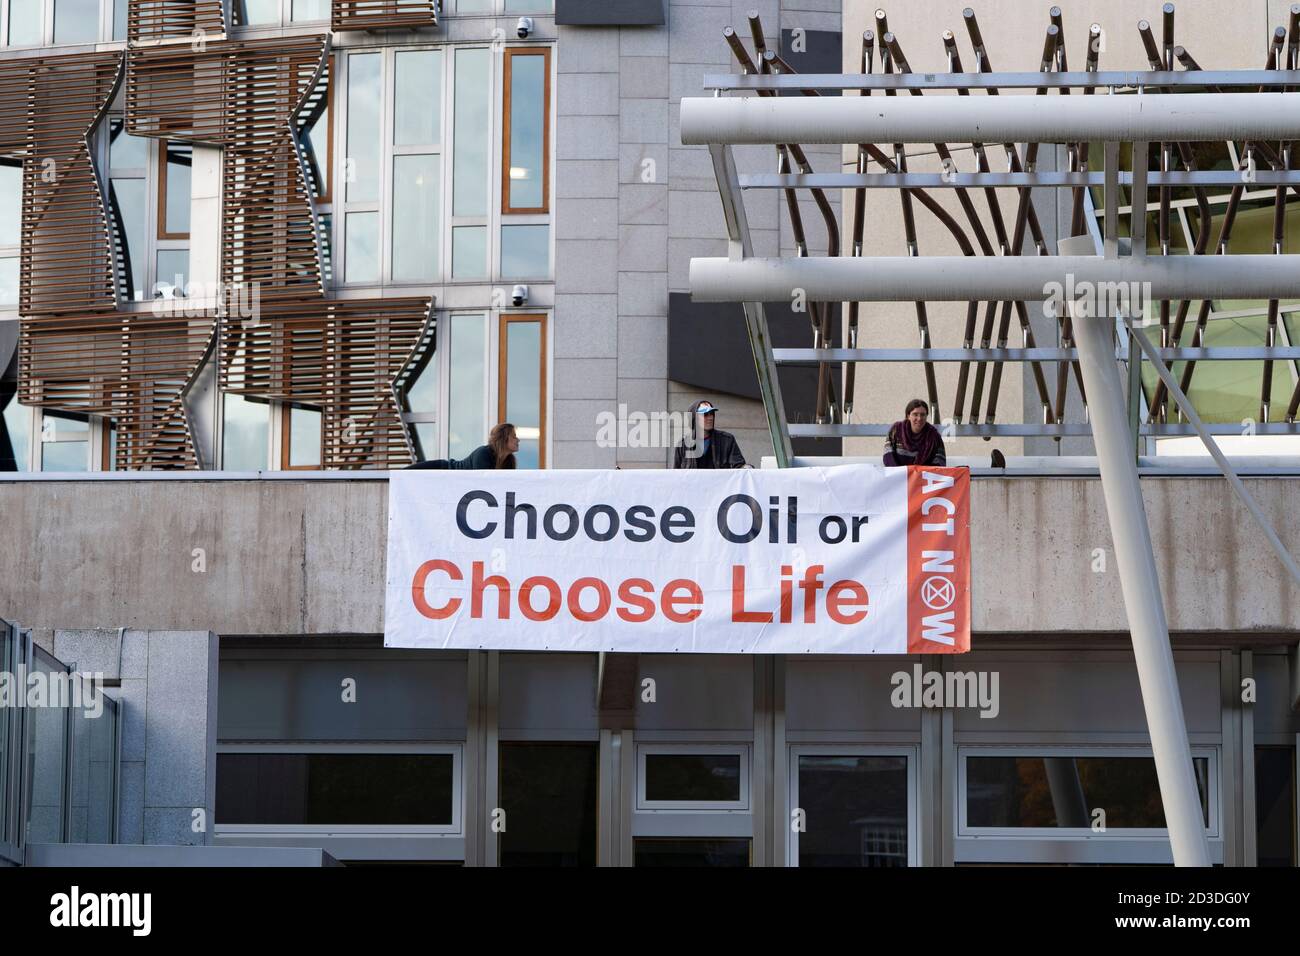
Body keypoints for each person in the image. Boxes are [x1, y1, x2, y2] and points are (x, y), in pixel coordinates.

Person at [407, 422, 519, 470]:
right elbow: (484, 486)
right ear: (503, 439)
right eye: (514, 436)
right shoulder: (484, 453)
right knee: (402, 474)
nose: (518, 440)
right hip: (444, 470)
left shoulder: (509, 461)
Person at [673, 400, 747, 469]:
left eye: (711, 413)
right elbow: (676, 475)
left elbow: (739, 467)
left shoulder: (727, 440)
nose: (710, 417)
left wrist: (746, 468)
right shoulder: (683, 445)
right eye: (705, 414)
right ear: (694, 418)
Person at [883, 399, 947, 467]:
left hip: (923, 476)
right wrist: (900, 473)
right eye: (915, 414)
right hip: (898, 475)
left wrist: (921, 475)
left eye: (923, 415)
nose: (919, 418)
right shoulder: (896, 430)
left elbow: (940, 461)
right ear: (908, 416)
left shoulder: (934, 436)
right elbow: (888, 455)